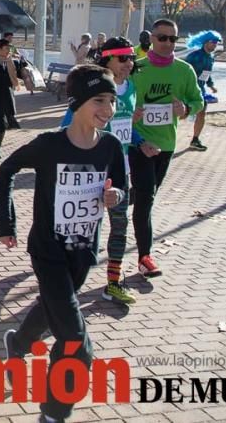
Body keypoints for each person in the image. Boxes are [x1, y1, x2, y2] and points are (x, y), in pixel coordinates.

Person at [0, 64, 127, 423]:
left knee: (53, 307)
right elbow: (7, 169)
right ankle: (54, 413)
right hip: (48, 252)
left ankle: (18, 344)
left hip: (83, 252)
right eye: (99, 100)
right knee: (75, 344)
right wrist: (6, 223)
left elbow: (123, 191)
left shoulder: (111, 147)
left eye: (112, 100)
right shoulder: (49, 145)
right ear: (78, 101)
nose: (108, 109)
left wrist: (116, 196)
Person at [60, 37, 144, 306]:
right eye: (123, 58)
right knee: (81, 232)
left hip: (120, 172)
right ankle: (65, 283)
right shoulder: (92, 88)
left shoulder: (130, 88)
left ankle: (113, 283)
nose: (129, 64)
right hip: (89, 172)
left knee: (120, 227)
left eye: (131, 58)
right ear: (107, 59)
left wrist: (142, 141)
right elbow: (67, 125)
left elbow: (125, 126)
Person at [129, 18, 204, 278]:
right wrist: (130, 115)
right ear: (151, 38)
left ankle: (130, 195)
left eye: (173, 39)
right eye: (162, 38)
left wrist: (186, 110)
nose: (168, 43)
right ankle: (145, 257)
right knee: (146, 199)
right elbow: (116, 102)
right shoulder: (135, 69)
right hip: (137, 142)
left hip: (166, 144)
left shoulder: (184, 71)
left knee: (145, 193)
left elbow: (197, 100)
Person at [184, 30, 222, 151]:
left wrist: (211, 85)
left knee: (201, 113)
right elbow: (183, 72)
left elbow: (206, 74)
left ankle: (195, 139)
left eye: (217, 43)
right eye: (213, 42)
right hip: (186, 90)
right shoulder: (194, 56)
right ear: (205, 42)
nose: (215, 45)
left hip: (200, 90)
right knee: (180, 114)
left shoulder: (211, 58)